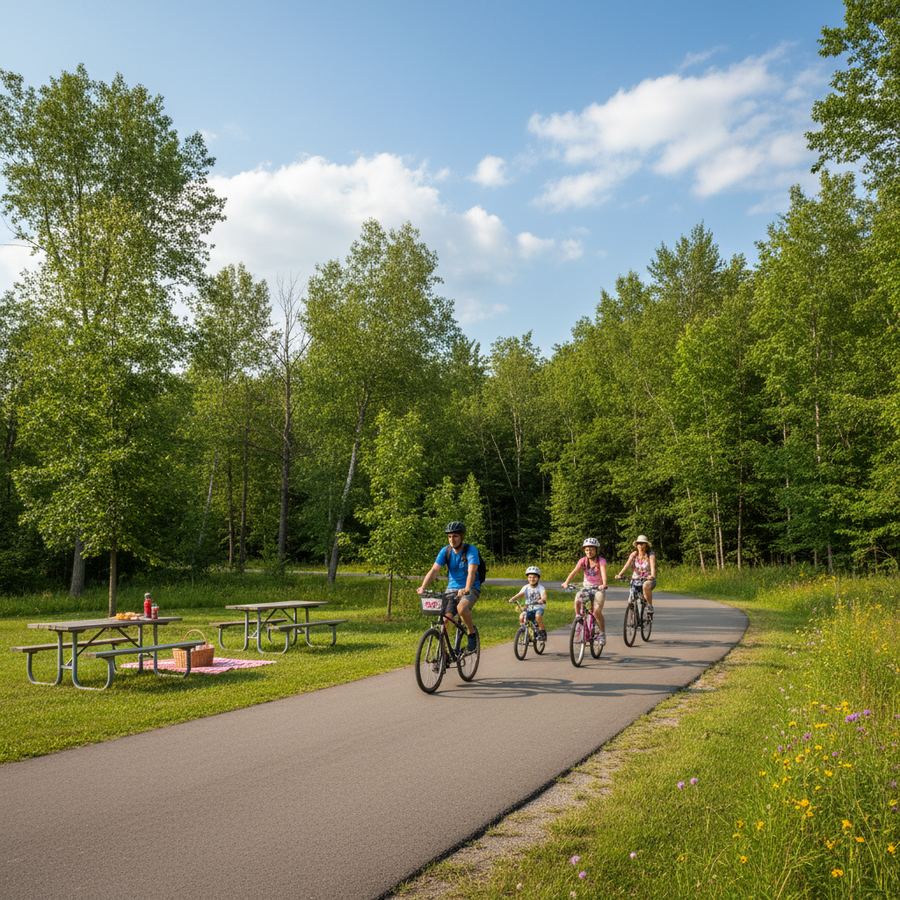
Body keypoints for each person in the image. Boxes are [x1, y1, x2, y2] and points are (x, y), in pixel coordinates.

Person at [417, 521, 481, 652]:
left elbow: (472, 572)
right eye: (449, 536)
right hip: (451, 589)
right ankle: (444, 655)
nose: (452, 539)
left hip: (470, 588)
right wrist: (423, 586)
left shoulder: (470, 550)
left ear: (461, 537)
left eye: (455, 536)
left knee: (462, 608)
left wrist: (467, 588)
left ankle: (471, 632)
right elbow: (434, 570)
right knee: (446, 621)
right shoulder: (445, 551)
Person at [561, 537, 608, 646]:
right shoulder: (583, 561)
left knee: (596, 611)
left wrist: (604, 584)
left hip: (598, 588)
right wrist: (566, 582)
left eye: (591, 549)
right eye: (586, 550)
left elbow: (604, 574)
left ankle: (602, 633)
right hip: (586, 587)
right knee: (578, 598)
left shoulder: (601, 561)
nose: (589, 552)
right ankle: (578, 618)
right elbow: (574, 572)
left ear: (596, 550)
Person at [616, 535, 657, 616]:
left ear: (646, 545)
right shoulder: (634, 554)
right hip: (636, 580)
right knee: (630, 602)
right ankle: (635, 617)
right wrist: (620, 574)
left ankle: (649, 606)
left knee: (645, 586)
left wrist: (652, 575)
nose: (640, 545)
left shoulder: (650, 555)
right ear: (636, 545)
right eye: (638, 543)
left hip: (648, 580)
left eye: (642, 543)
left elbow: (653, 567)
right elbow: (626, 565)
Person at [508, 565, 547, 640]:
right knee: (521, 617)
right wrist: (512, 599)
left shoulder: (541, 588)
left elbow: (544, 595)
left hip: (538, 607)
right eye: (530, 577)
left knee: (538, 617)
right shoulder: (526, 587)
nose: (532, 579)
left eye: (534, 577)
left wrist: (542, 599)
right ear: (527, 578)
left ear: (538, 578)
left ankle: (543, 633)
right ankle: (526, 632)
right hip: (528, 608)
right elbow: (520, 594)